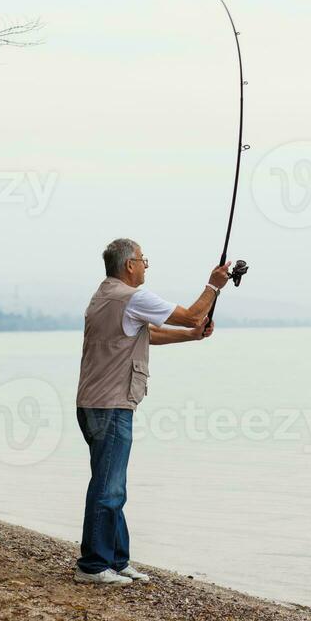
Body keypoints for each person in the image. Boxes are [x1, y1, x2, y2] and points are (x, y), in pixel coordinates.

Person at [74, 237, 231, 586]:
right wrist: (213, 286)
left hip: (92, 403)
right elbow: (192, 313)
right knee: (108, 486)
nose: (146, 265)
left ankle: (116, 560)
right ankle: (93, 565)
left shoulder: (103, 296)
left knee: (111, 482)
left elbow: (147, 335)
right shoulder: (133, 297)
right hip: (110, 405)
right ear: (129, 265)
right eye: (144, 260)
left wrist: (192, 335)